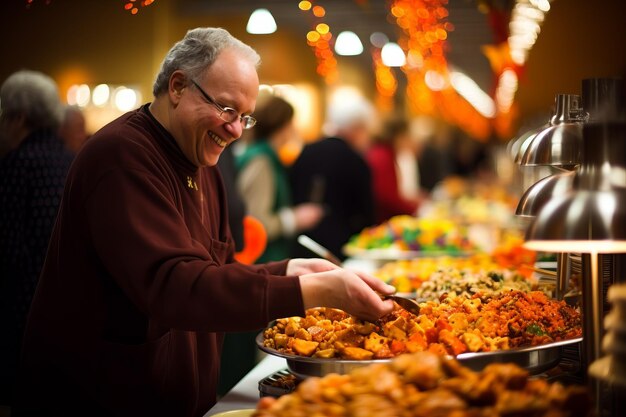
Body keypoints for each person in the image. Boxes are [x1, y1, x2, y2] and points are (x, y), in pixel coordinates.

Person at [13, 27, 395, 417]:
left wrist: (288, 270)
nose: (233, 130)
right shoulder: (121, 155)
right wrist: (309, 291)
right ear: (178, 87)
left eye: (244, 118)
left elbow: (218, 270)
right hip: (98, 397)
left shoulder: (202, 160)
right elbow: (174, 287)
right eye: (227, 109)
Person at [0, 70, 74, 407]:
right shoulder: (73, 161)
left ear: (19, 117)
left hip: (22, 314)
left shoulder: (16, 164)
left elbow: (8, 251)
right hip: (72, 313)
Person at [236, 94, 323, 263]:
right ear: (284, 125)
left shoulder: (263, 155)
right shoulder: (261, 160)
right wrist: (295, 218)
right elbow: (256, 222)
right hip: (262, 260)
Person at [290, 97, 377, 261]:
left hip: (304, 245)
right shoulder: (355, 160)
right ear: (357, 128)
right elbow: (366, 212)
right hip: (342, 250)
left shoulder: (306, 151)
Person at [366, 116, 421, 223]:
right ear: (399, 136)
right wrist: (414, 208)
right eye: (407, 136)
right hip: (382, 222)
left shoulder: (384, 153)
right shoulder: (382, 157)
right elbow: (387, 198)